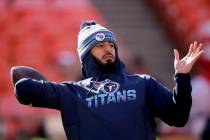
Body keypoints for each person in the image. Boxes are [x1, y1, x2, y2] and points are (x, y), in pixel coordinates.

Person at [11, 20, 204, 140]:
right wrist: (49, 90)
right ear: (86, 54)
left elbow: (178, 117)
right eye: (100, 45)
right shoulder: (72, 92)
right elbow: (23, 89)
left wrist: (182, 77)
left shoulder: (143, 83)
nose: (108, 49)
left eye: (111, 44)